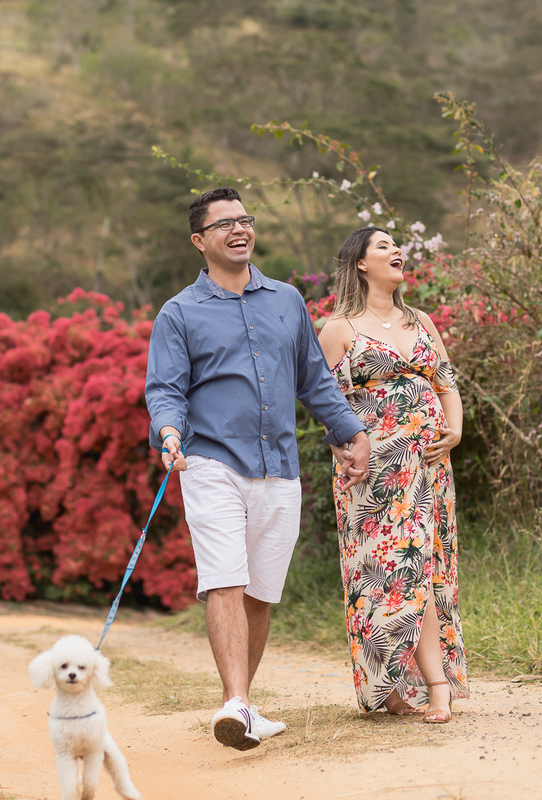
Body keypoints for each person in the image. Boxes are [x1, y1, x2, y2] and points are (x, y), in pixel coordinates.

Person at [144, 188, 370, 751]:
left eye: (244, 219)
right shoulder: (179, 313)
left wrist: (350, 432)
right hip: (210, 461)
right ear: (199, 241)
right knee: (225, 578)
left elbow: (314, 379)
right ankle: (236, 704)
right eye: (224, 224)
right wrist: (168, 432)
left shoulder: (287, 301)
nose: (239, 229)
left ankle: (243, 703)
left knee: (261, 593)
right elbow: (165, 389)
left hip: (279, 466)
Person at [317, 225, 469, 724]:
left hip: (429, 464)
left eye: (396, 244)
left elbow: (446, 383)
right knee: (391, 573)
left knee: (426, 567)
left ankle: (414, 684)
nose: (396, 250)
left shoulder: (421, 321)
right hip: (375, 470)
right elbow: (326, 402)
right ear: (361, 263)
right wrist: (345, 451)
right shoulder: (339, 328)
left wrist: (455, 430)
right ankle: (429, 685)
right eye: (383, 245)